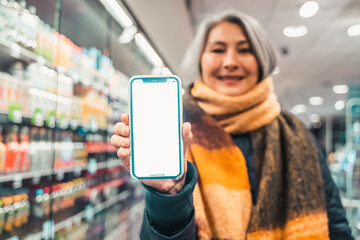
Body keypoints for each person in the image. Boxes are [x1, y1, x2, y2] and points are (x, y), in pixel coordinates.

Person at [110, 10, 353, 240]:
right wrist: (167, 197)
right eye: (217, 49)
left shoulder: (297, 135)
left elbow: (337, 229)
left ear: (261, 60)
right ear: (200, 61)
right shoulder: (178, 131)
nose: (230, 62)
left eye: (245, 50)